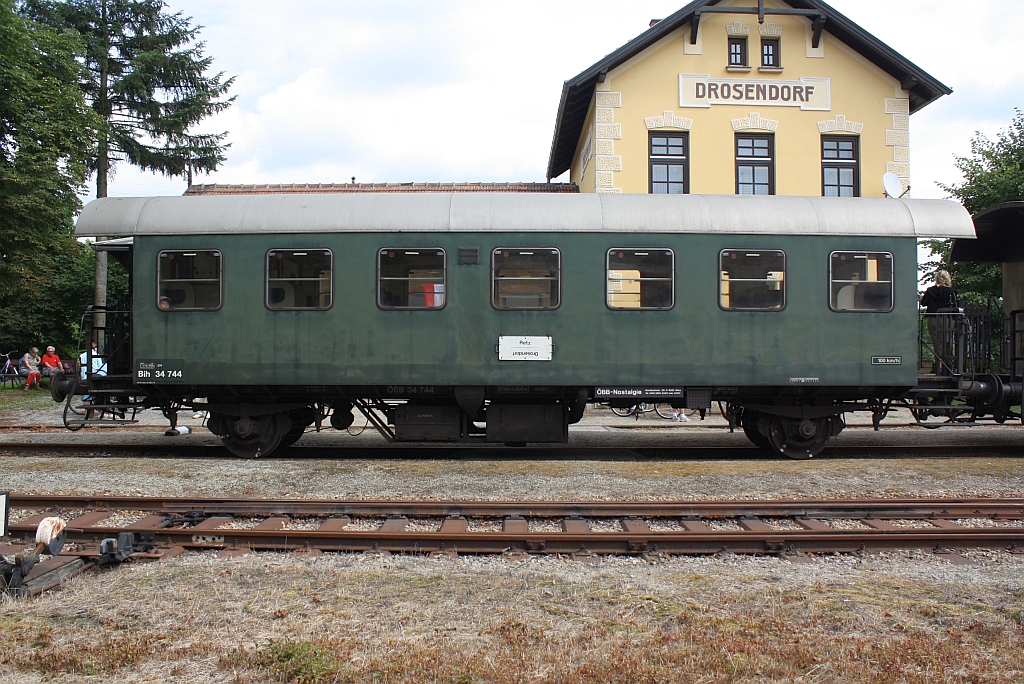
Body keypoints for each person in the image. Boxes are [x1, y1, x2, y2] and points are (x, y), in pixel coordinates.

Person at [920, 270, 959, 374]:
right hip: (946, 318)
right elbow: (955, 306)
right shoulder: (951, 292)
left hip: (933, 318)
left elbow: (923, 303)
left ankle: (938, 366)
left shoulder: (930, 290)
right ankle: (948, 366)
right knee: (947, 341)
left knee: (936, 342)